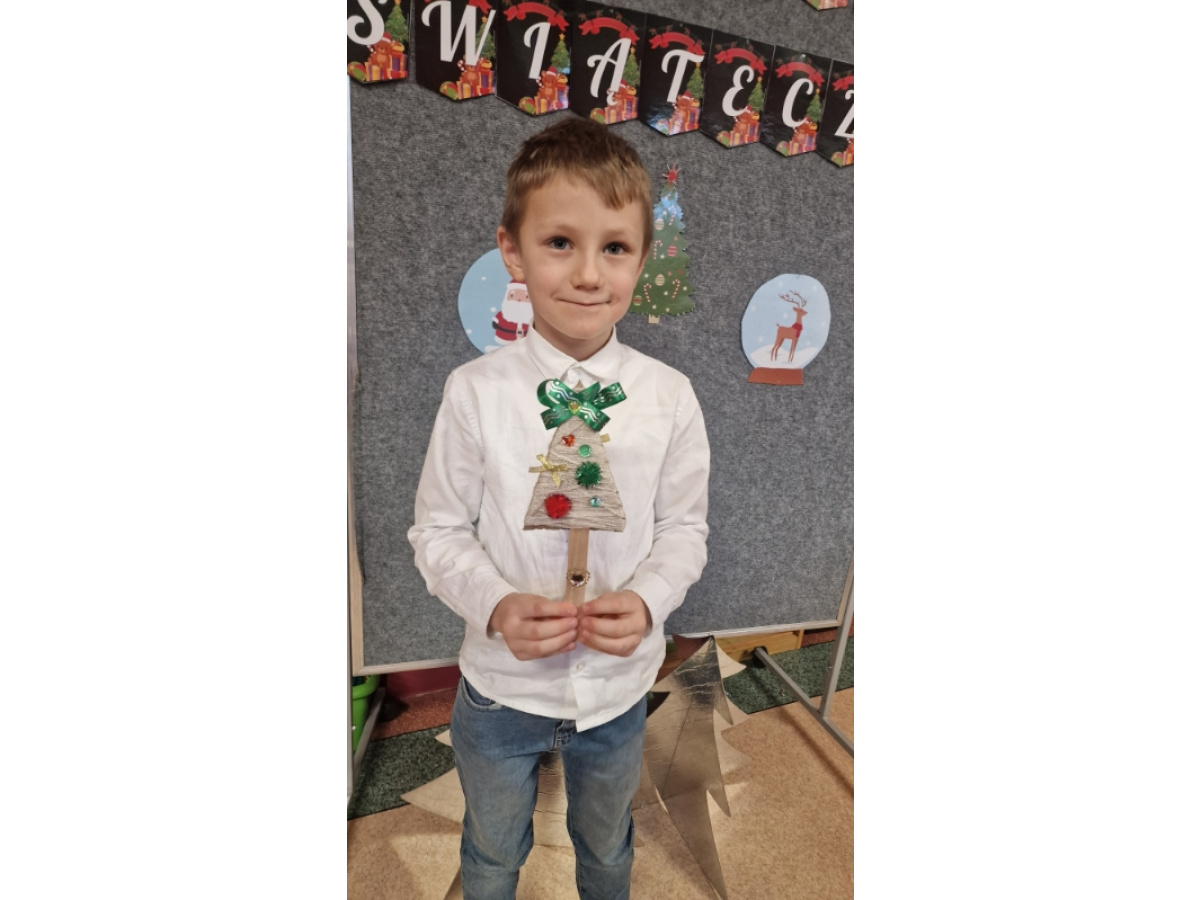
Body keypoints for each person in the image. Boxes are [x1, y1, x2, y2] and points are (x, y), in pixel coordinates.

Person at [408, 116, 710, 900]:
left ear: (642, 258)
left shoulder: (670, 397)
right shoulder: (475, 393)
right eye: (559, 243)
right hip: (502, 688)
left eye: (615, 248)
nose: (587, 274)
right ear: (512, 250)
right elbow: (437, 530)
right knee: (490, 854)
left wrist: (648, 600)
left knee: (607, 851)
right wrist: (496, 603)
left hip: (616, 692)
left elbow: (684, 529)